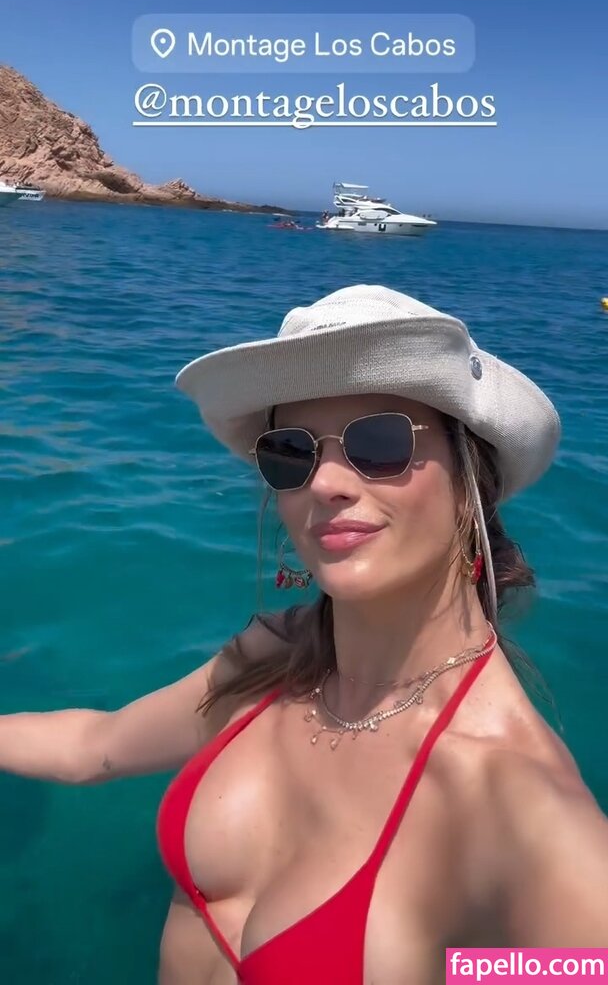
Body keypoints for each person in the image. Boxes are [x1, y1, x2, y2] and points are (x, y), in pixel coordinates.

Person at [2, 284, 607, 985]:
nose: (324, 483)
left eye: (379, 443)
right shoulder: (278, 657)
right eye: (292, 452)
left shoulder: (522, 815)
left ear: (472, 479)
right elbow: (94, 747)